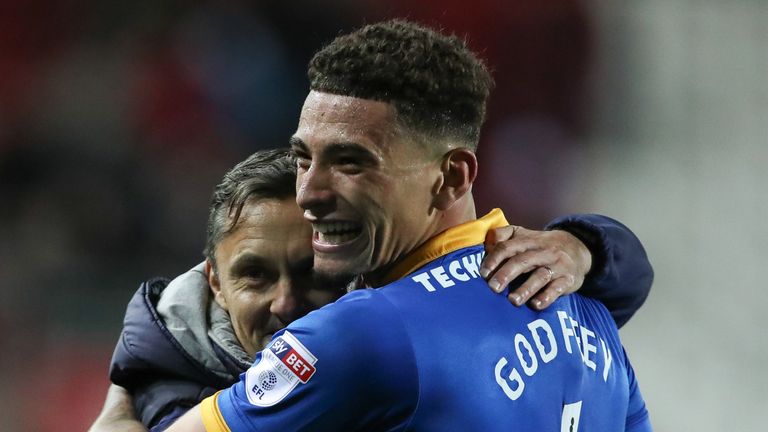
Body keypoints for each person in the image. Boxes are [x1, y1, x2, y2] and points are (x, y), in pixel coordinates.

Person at [165, 19, 652, 431]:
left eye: (351, 163)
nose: (309, 194)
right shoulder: (591, 317)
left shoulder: (368, 330)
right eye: (302, 158)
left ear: (451, 177)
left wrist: (126, 395)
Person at [89, 147, 652, 432]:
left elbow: (617, 289)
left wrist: (585, 244)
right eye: (255, 275)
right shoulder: (168, 392)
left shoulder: (378, 340)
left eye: (313, 274)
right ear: (213, 279)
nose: (284, 303)